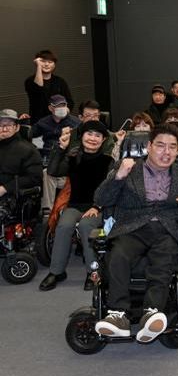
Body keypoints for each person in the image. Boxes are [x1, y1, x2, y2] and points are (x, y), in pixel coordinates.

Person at [93, 124, 178, 343]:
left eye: (172, 147)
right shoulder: (127, 167)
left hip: (167, 228)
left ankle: (152, 313)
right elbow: (100, 199)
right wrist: (118, 177)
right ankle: (118, 314)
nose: (167, 152)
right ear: (149, 146)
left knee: (164, 259)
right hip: (132, 227)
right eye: (161, 146)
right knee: (118, 255)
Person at [39, 120, 112, 291]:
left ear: (103, 140)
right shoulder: (73, 158)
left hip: (99, 207)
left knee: (87, 226)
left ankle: (93, 272)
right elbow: (53, 171)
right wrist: (61, 148)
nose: (92, 138)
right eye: (89, 134)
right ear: (82, 137)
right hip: (75, 205)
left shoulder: (108, 161)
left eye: (97, 135)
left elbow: (111, 189)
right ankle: (56, 272)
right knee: (63, 226)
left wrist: (97, 207)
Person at [0, 109, 43, 203]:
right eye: (1, 125)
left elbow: (34, 178)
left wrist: (5, 188)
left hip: (12, 197)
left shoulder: (28, 150)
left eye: (9, 125)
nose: (4, 129)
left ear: (17, 127)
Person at [25, 50, 74, 124]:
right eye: (43, 61)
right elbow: (38, 88)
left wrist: (64, 112)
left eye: (50, 62)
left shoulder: (60, 81)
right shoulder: (30, 81)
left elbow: (70, 102)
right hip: (38, 123)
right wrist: (39, 66)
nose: (46, 64)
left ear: (54, 65)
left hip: (58, 122)